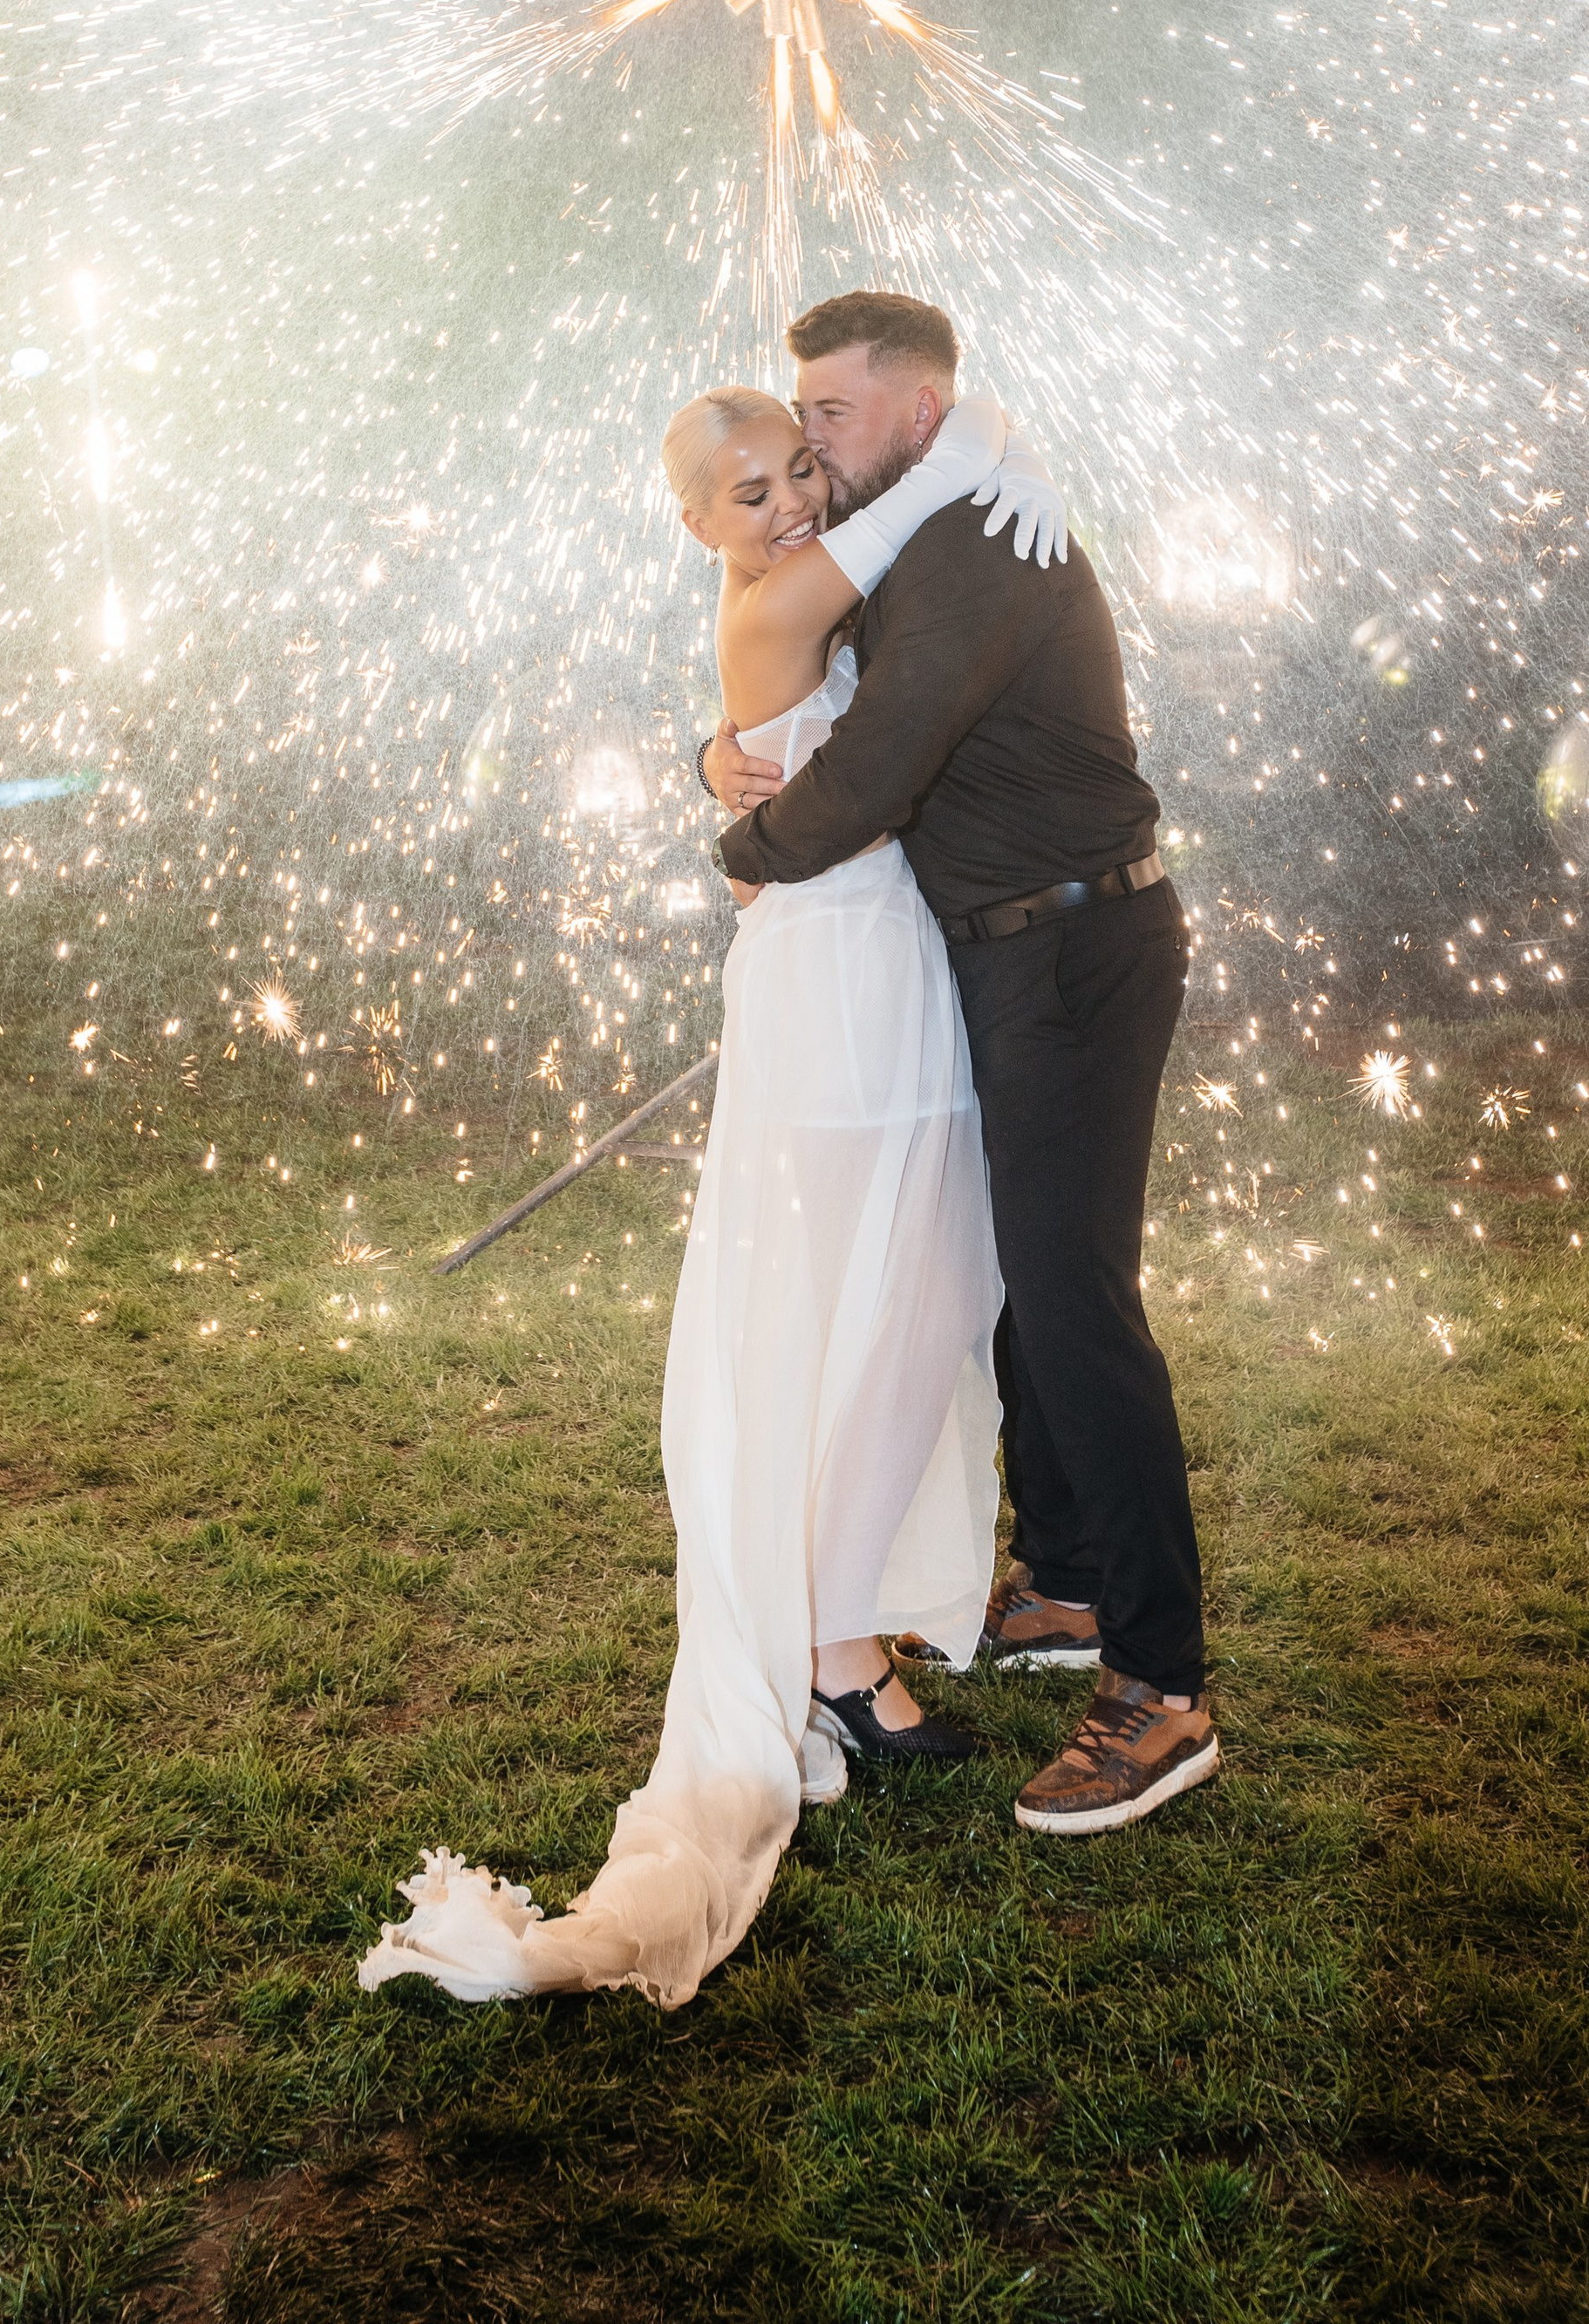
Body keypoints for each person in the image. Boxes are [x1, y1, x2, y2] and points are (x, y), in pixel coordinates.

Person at [358, 378, 1066, 2008]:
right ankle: (830, 1656)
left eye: (803, 469)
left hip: (884, 965)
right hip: (840, 985)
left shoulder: (799, 590)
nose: (794, 502)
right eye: (751, 491)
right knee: (878, 1300)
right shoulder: (773, 609)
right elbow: (904, 516)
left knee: (923, 1298)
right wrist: (982, 441)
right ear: (695, 526)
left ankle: (836, 1630)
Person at [706, 290, 1217, 1841]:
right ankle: (1064, 1581)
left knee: (1071, 1299)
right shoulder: (918, 526)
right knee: (1017, 1280)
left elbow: (876, 762)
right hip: (998, 951)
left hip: (1073, 949)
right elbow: (808, 686)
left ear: (921, 411)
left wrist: (740, 850)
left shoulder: (981, 537)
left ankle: (1161, 1690)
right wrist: (713, 759)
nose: (812, 446)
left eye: (835, 415)